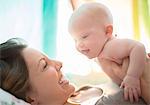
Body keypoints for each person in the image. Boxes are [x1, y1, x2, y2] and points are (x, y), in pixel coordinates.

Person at [0, 38, 147, 105]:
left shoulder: (80, 92)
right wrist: (142, 78)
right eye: (44, 65)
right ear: (31, 98)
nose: (59, 64)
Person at [68, 2, 150, 104]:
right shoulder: (101, 53)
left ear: (108, 31)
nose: (79, 45)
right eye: (75, 40)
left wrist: (132, 77)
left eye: (84, 37)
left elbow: (138, 47)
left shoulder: (111, 46)